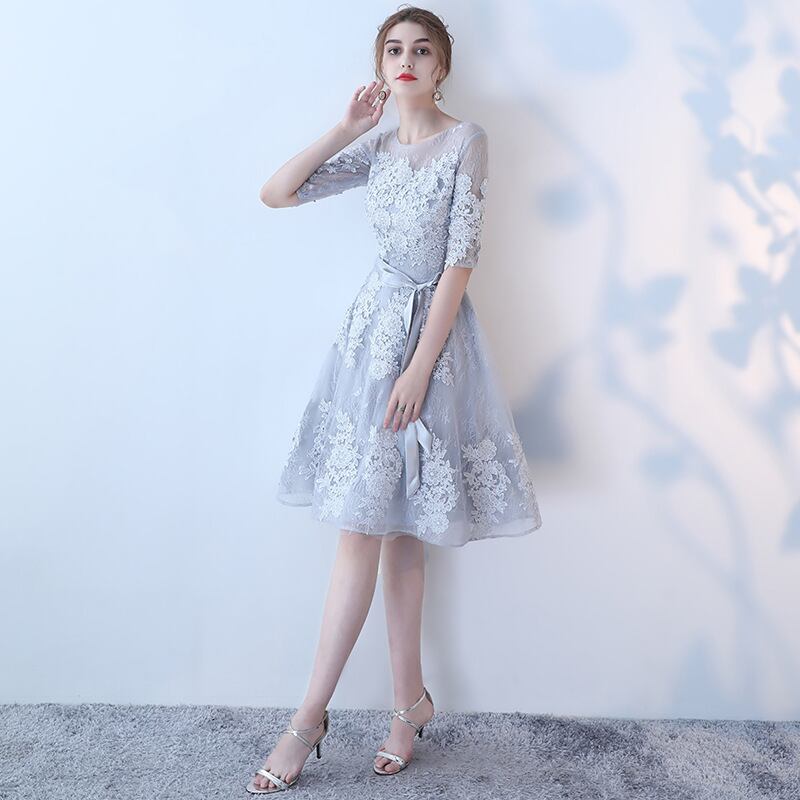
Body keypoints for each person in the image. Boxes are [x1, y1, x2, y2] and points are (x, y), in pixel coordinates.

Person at [249, 5, 542, 794]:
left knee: (397, 534)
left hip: (431, 351)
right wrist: (346, 128)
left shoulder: (468, 140)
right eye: (393, 50)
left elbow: (459, 262)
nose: (406, 60)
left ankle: (324, 718)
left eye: (421, 50)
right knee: (369, 530)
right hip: (369, 343)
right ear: (379, 67)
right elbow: (276, 193)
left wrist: (419, 369)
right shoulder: (376, 148)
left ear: (442, 67)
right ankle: (390, 706)